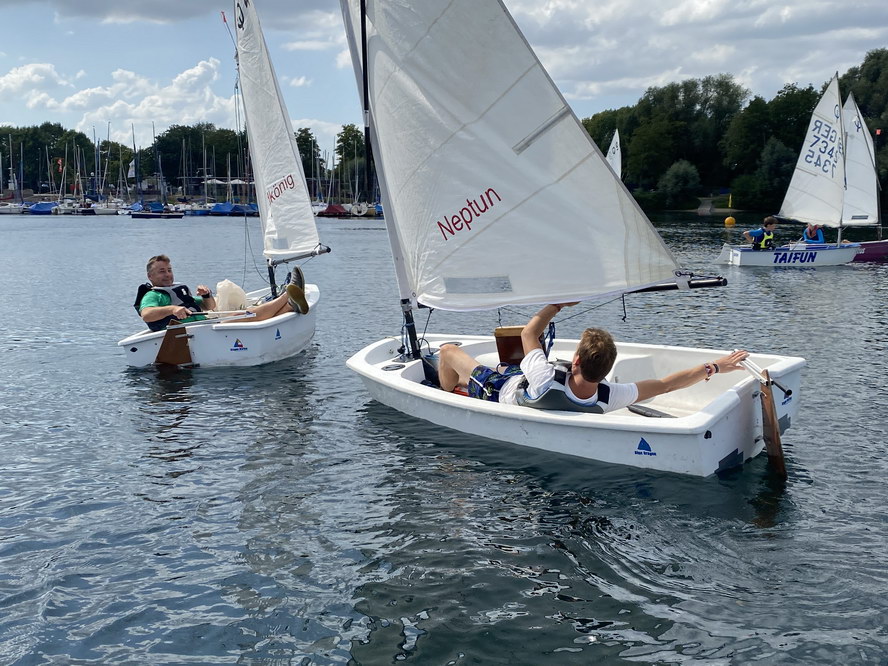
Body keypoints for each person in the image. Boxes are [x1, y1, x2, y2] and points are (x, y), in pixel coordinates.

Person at [437, 303, 750, 414]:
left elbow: (529, 333)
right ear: (606, 369)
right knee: (516, 368)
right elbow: (667, 385)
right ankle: (465, 379)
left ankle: (446, 391)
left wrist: (557, 305)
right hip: (524, 382)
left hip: (500, 391)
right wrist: (715, 367)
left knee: (448, 351)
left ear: (575, 361)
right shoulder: (611, 396)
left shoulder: (544, 377)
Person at [136, 254, 308, 331]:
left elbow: (210, 306)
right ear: (150, 276)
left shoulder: (179, 289)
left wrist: (206, 296)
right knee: (245, 314)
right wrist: (172, 309)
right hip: (193, 332)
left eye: (169, 270)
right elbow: (147, 315)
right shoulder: (153, 295)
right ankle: (288, 294)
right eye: (162, 271)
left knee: (245, 313)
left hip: (203, 325)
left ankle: (290, 306)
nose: (167, 274)